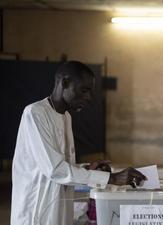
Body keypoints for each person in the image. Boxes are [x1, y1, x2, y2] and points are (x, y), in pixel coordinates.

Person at [10, 61, 147, 225]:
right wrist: (111, 178)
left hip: (59, 206)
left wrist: (87, 169)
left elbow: (62, 165)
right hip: (37, 211)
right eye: (84, 90)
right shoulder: (35, 113)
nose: (89, 98)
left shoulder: (66, 117)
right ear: (65, 83)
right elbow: (55, 170)